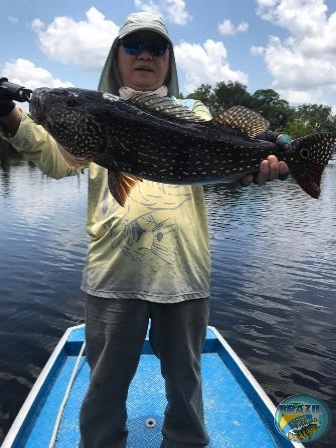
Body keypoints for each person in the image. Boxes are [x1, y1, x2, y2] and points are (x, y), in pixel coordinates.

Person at [0, 12, 289, 448]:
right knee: (104, 389)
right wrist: (8, 114)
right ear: (115, 56)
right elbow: (54, 159)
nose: (146, 55)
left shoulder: (195, 113)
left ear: (170, 61)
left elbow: (226, 160)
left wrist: (261, 163)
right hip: (113, 279)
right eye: (133, 46)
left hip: (184, 277)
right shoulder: (96, 113)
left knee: (185, 388)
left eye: (157, 48)